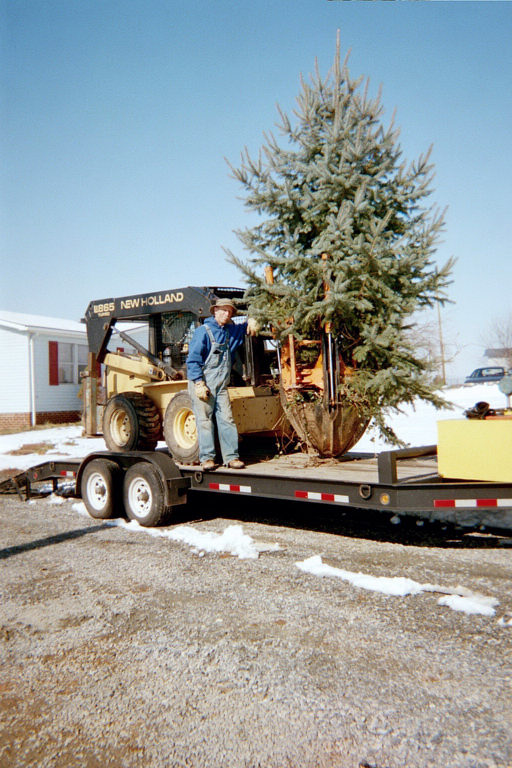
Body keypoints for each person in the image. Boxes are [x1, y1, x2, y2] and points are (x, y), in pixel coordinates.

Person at [186, 298, 257, 471]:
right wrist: (198, 383)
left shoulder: (230, 331)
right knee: (204, 421)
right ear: (215, 311)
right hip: (203, 385)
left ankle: (231, 457)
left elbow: (245, 327)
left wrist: (253, 320)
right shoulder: (203, 332)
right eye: (223, 310)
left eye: (230, 312)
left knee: (227, 419)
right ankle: (207, 459)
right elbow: (193, 359)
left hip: (221, 386)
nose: (227, 314)